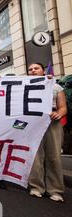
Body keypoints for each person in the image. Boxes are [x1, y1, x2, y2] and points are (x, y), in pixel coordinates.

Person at [28, 63, 67, 202]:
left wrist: (59, 114)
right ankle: (36, 187)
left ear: (43, 71)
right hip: (33, 125)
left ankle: (55, 190)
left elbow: (63, 107)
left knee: (54, 156)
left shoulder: (55, 87)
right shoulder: (24, 86)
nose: (33, 71)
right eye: (30, 69)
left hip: (52, 123)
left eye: (36, 68)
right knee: (35, 156)